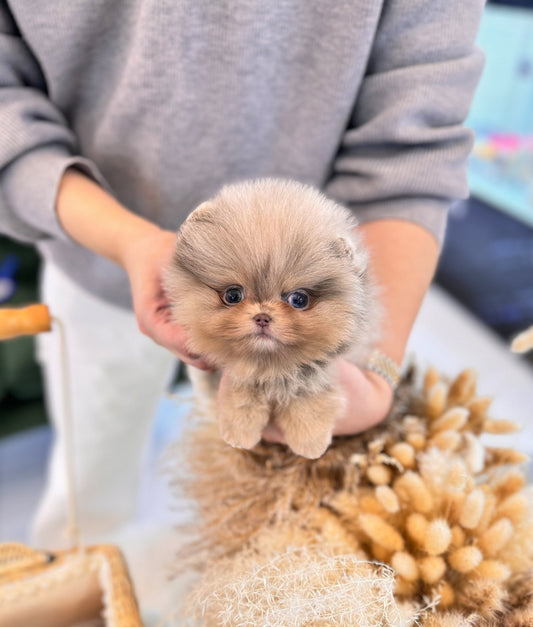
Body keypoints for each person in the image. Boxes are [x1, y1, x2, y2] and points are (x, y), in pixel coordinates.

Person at [0, 1, 485, 548]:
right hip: (95, 263)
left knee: (261, 523)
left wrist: (372, 367)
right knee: (85, 500)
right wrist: (124, 238)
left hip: (314, 319)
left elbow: (411, 146)